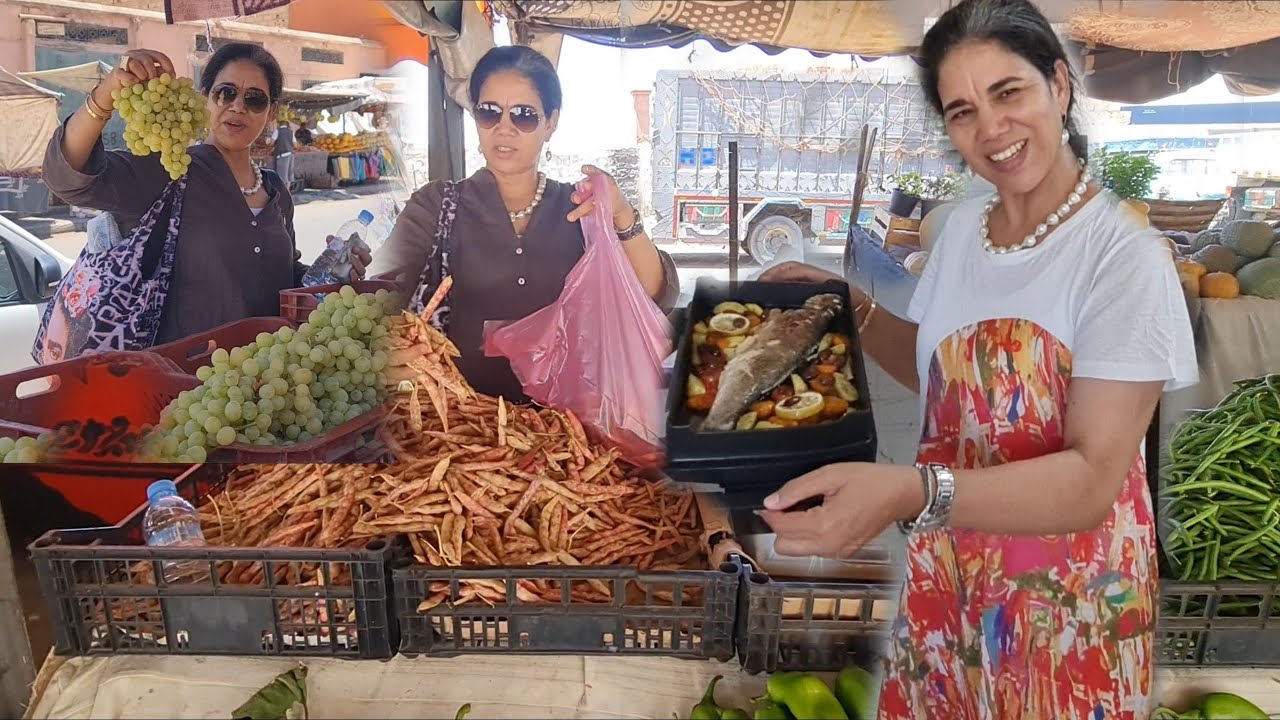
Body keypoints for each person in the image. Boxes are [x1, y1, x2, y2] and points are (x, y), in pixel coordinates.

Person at [755, 0, 1197, 718]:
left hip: (1065, 610)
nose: (990, 128)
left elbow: (1091, 481)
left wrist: (907, 493)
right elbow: (942, 375)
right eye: (962, 111)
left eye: (1008, 92)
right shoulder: (962, 230)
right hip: (950, 584)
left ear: (1059, 84)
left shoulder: (1124, 260)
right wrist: (847, 305)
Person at [376, 45, 679, 401]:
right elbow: (379, 295)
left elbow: (656, 293)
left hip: (570, 427)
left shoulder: (580, 207)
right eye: (490, 112)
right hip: (462, 426)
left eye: (523, 115)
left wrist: (622, 214)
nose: (504, 128)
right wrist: (385, 347)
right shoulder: (436, 206)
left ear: (550, 123)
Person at [42, 43, 369, 347]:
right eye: (226, 93)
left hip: (264, 384)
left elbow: (282, 276)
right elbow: (68, 178)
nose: (238, 106)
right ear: (205, 99)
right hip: (182, 390)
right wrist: (104, 96)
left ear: (271, 112)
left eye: (255, 99)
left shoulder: (275, 192)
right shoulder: (168, 174)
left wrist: (331, 271)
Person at [274, 117, 295, 188]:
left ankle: (283, 191)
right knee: (289, 174)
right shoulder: (291, 132)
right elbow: (295, 144)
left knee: (282, 174)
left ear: (280, 124)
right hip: (291, 154)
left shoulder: (277, 131)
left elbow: (271, 142)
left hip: (282, 154)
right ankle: (288, 190)